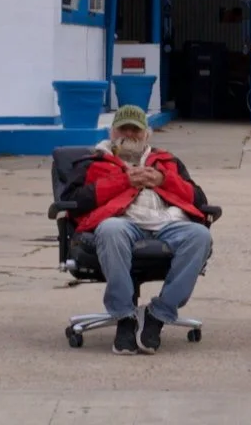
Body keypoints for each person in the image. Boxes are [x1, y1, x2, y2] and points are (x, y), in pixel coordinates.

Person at [60, 105, 213, 355]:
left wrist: (164, 180)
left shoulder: (167, 161)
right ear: (112, 132)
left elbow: (199, 199)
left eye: (136, 129)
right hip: (122, 222)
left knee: (200, 236)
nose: (129, 134)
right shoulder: (93, 161)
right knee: (111, 230)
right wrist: (124, 180)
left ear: (147, 134)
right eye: (123, 128)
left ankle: (159, 314)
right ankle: (124, 317)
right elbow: (74, 202)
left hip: (168, 222)